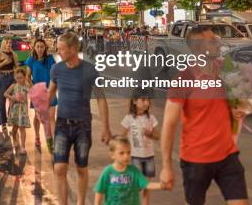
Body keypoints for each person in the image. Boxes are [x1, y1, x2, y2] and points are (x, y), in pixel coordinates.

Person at [160, 27, 249, 205]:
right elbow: (169, 125)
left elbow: (237, 98)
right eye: (212, 40)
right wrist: (166, 166)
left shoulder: (225, 70)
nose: (218, 42)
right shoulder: (184, 79)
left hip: (227, 155)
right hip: (196, 160)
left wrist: (238, 108)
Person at [49, 32, 112, 205]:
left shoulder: (90, 70)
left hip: (83, 126)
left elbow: (101, 98)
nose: (58, 51)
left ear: (73, 49)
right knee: (59, 167)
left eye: (61, 49)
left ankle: (81, 202)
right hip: (62, 123)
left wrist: (106, 128)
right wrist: (44, 109)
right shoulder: (57, 69)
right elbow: (51, 92)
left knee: (81, 167)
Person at [94, 136, 163, 205]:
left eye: (128, 152)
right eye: (122, 153)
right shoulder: (108, 172)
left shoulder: (134, 171)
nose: (126, 156)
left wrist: (162, 185)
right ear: (112, 155)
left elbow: (146, 184)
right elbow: (99, 191)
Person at [121, 97, 160, 205]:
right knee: (136, 186)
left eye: (148, 100)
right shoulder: (129, 118)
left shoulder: (151, 118)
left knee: (147, 187)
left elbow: (158, 136)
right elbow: (122, 137)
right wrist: (122, 154)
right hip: (135, 157)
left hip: (149, 157)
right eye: (143, 100)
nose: (146, 103)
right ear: (134, 101)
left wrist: (150, 134)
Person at [25, 39, 57, 148]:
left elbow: (54, 73)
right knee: (37, 118)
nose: (40, 49)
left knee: (52, 117)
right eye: (37, 46)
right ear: (34, 47)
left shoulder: (50, 59)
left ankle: (52, 141)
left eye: (42, 47)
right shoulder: (31, 60)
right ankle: (37, 136)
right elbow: (27, 77)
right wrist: (33, 89)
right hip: (38, 92)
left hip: (50, 91)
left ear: (45, 48)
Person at [4, 68, 31, 154]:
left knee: (22, 128)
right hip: (15, 110)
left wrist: (29, 84)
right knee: (15, 127)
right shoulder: (13, 86)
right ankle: (15, 139)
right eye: (18, 77)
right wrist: (12, 97)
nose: (20, 79)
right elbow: (5, 93)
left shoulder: (26, 86)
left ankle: (23, 147)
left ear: (24, 77)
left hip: (23, 110)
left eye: (21, 77)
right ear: (15, 77)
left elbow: (32, 92)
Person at [0, 36, 18, 130]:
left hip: (12, 77)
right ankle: (2, 122)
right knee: (1, 101)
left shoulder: (14, 54)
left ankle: (10, 118)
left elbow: (16, 68)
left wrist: (17, 79)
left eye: (10, 43)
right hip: (2, 78)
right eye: (7, 43)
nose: (9, 44)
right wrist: (4, 63)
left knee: (13, 100)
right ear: (4, 44)